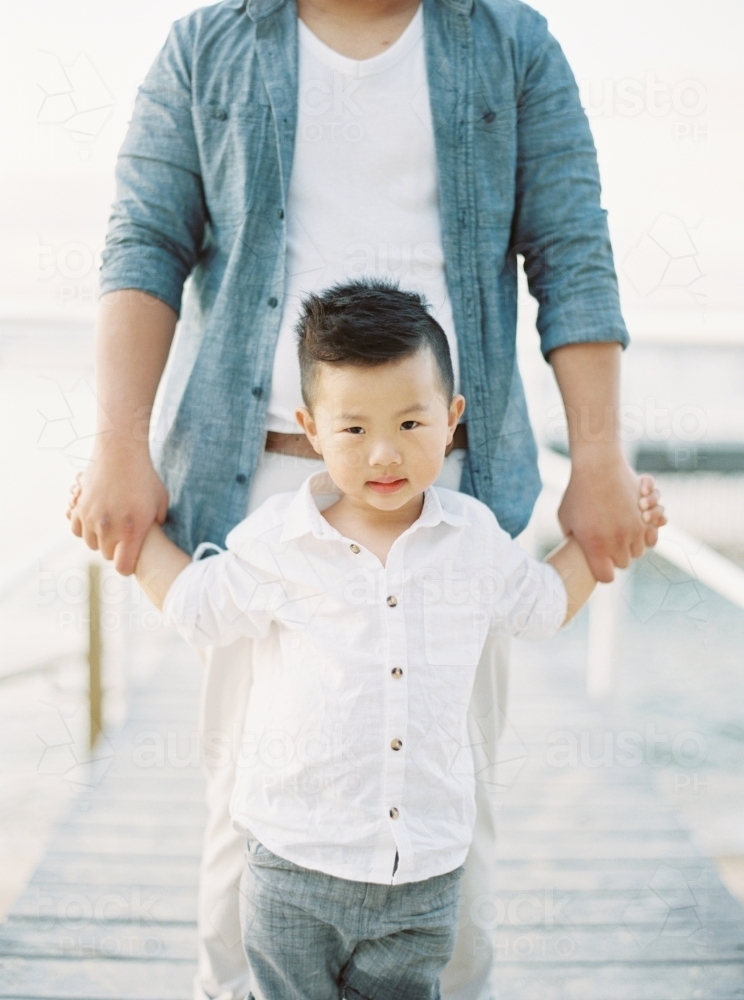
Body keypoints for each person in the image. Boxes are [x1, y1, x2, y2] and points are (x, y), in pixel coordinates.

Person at [67, 1, 666, 995]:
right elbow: (143, 239)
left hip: (453, 486)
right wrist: (116, 443)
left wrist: (598, 460)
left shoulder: (511, 42)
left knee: (452, 812)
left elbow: (573, 249)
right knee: (241, 826)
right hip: (254, 481)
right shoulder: (210, 42)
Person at [126, 280, 664, 1000]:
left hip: (423, 877)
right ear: (311, 429)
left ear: (452, 418)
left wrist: (607, 543)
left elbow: (538, 605)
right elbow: (196, 605)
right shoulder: (276, 542)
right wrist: (130, 538)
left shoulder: (471, 538)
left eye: (412, 424)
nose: (385, 453)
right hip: (290, 868)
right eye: (353, 430)